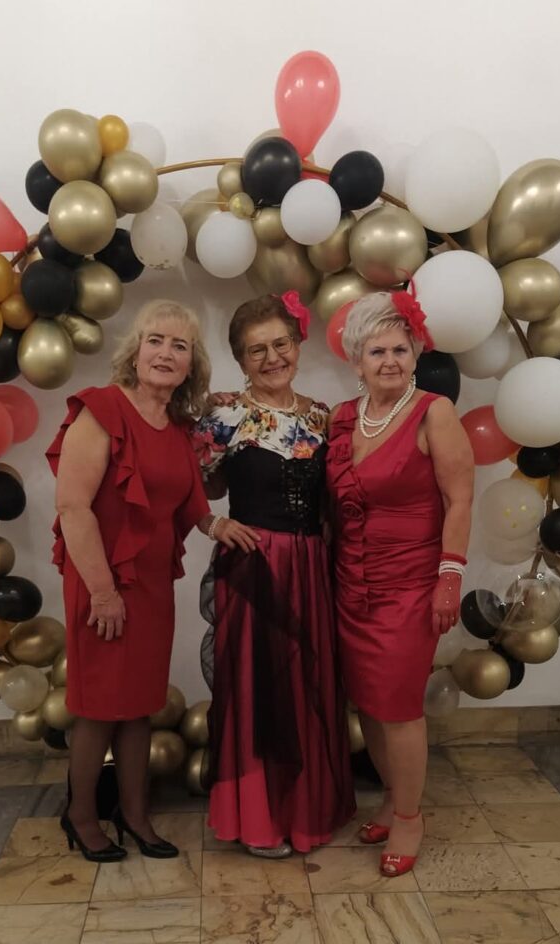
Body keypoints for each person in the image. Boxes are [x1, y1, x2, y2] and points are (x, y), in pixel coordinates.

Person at [47, 299, 257, 863]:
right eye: (155, 340)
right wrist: (103, 592)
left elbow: (189, 504)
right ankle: (81, 815)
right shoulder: (102, 410)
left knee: (139, 703)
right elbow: (73, 508)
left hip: (152, 585)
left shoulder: (179, 429)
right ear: (135, 351)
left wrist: (218, 525)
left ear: (191, 365)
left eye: (179, 345)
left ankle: (135, 815)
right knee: (98, 707)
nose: (165, 353)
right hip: (101, 583)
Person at [192, 291, 355, 857]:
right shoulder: (223, 416)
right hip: (255, 569)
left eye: (280, 344)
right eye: (256, 350)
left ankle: (304, 814)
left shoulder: (322, 417)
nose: (271, 358)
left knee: (308, 688)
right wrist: (212, 524)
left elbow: (336, 499)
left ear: (298, 345)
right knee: (259, 692)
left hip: (311, 568)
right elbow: (189, 486)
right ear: (240, 359)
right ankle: (260, 820)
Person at [326, 288, 474, 877]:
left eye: (400, 350)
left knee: (400, 705)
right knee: (368, 701)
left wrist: (449, 578)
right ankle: (391, 799)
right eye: (377, 351)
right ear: (357, 362)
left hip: (410, 586)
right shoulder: (342, 419)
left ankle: (410, 818)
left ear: (415, 355)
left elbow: (459, 499)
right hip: (350, 585)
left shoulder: (435, 412)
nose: (390, 361)